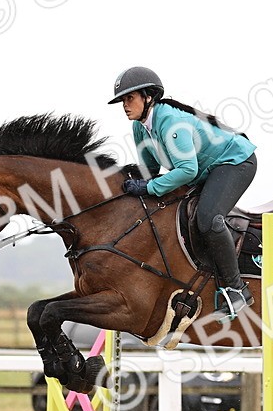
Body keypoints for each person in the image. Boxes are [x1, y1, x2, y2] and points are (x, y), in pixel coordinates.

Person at [109, 66, 257, 321]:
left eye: (129, 98)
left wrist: (148, 187)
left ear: (148, 97)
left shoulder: (170, 121)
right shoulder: (139, 127)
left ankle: (237, 290)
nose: (125, 105)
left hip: (235, 162)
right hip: (205, 170)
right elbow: (150, 171)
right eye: (122, 100)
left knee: (207, 219)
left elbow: (187, 170)